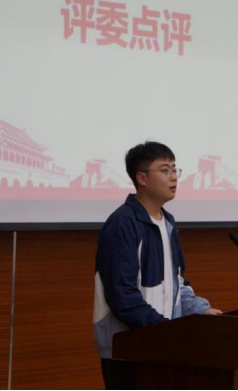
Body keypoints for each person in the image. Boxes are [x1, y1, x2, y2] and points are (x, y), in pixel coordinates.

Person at [93, 141, 222, 390]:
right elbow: (122, 296)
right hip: (128, 351)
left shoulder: (168, 222)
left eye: (175, 169)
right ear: (141, 178)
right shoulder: (122, 224)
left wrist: (200, 310)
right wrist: (165, 330)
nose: (173, 176)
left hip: (162, 348)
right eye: (165, 170)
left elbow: (176, 282)